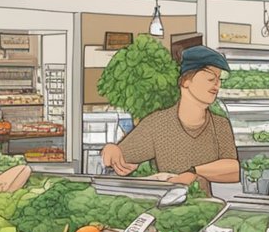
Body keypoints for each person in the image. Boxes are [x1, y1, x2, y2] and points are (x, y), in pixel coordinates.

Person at [100, 45, 240, 185]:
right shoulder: (158, 124)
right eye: (210, 78)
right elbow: (123, 154)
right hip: (167, 204)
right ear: (186, 80)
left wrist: (193, 172)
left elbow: (233, 169)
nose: (217, 85)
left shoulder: (220, 124)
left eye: (219, 79)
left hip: (210, 204)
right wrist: (111, 151)